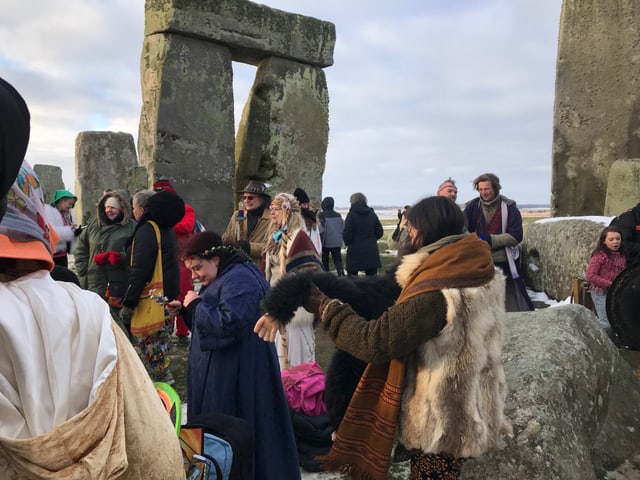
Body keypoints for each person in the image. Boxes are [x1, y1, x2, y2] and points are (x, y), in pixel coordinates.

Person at [0, 78, 183, 478]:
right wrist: (89, 271)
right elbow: (155, 454)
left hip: (114, 289)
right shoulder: (85, 309)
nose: (115, 211)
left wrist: (125, 287)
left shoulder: (142, 233)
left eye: (121, 207)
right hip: (92, 288)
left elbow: (148, 265)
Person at [255, 196, 511, 479]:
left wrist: (326, 307)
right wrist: (297, 292)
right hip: (470, 402)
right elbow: (375, 291)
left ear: (427, 230)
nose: (406, 233)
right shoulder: (473, 268)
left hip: (444, 416)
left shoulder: (437, 292)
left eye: (411, 227)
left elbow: (374, 342)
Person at [166, 231, 301, 480]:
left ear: (215, 259)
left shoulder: (241, 280)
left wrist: (196, 305)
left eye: (197, 268)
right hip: (227, 370)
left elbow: (230, 322)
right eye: (191, 270)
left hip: (239, 374)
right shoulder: (227, 275)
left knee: (236, 429)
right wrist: (187, 310)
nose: (195, 276)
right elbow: (216, 310)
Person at [120, 189, 184, 384]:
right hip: (167, 296)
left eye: (134, 208)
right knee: (160, 348)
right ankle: (163, 385)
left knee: (153, 350)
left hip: (151, 298)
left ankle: (163, 394)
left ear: (142, 208)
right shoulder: (166, 229)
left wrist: (129, 300)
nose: (133, 212)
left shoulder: (148, 229)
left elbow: (141, 267)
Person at [263, 192, 324, 370]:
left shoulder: (299, 237)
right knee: (279, 357)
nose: (272, 213)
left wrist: (289, 296)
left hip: (295, 308)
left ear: (287, 211)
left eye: (276, 209)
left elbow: (312, 271)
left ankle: (297, 391)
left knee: (295, 356)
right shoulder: (275, 237)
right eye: (271, 209)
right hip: (277, 302)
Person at [463, 172, 534, 312]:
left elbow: (516, 236)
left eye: (487, 189)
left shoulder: (509, 207)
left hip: (504, 261)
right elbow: (464, 231)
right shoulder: (472, 207)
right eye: (481, 189)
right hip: (479, 261)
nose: (484, 192)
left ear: (495, 188)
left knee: (507, 301)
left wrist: (490, 239)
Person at [73, 189, 136, 326]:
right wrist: (83, 269)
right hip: (92, 280)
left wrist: (121, 257)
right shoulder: (94, 225)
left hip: (117, 282)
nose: (109, 210)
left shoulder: (131, 228)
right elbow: (81, 248)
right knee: (94, 319)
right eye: (107, 207)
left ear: (122, 208)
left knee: (116, 321)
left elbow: (136, 253)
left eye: (113, 207)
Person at [153, 178, 195, 346]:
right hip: (162, 257)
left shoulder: (186, 209)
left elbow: (187, 226)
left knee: (184, 292)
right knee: (164, 295)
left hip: (182, 258)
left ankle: (183, 332)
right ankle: (165, 329)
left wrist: (165, 221)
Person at [585, 226, 627, 332]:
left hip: (616, 292)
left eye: (618, 239)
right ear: (604, 241)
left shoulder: (622, 255)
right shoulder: (599, 256)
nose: (615, 242)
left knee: (618, 320)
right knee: (606, 323)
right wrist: (609, 283)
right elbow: (590, 276)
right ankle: (597, 343)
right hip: (600, 292)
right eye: (611, 239)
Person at [222, 179, 272, 264]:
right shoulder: (238, 215)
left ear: (262, 199)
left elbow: (273, 247)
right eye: (244, 198)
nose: (246, 200)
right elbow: (227, 238)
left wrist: (249, 247)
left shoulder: (272, 218)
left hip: (261, 269)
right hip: (238, 265)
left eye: (250, 198)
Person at [343, 192, 384, 276]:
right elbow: (379, 232)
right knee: (372, 280)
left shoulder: (351, 215)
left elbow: (347, 234)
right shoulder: (372, 214)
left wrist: (349, 242)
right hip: (370, 249)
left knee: (352, 281)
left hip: (355, 250)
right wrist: (371, 239)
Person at [44, 189, 81, 267]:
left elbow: (72, 227)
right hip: (52, 254)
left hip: (63, 254)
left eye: (72, 204)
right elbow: (52, 231)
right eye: (69, 203)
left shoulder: (68, 215)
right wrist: (72, 232)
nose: (70, 206)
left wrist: (76, 231)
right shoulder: (48, 211)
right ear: (61, 200)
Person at [318, 196, 345, 275]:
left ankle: (327, 277)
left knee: (325, 261)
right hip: (337, 241)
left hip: (325, 242)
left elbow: (320, 229)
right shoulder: (338, 215)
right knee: (338, 261)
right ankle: (341, 275)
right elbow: (342, 227)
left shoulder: (321, 215)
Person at [294, 187, 322, 254]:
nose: (306, 207)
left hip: (312, 251)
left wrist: (319, 250)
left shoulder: (312, 218)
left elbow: (316, 236)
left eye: (307, 204)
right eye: (304, 204)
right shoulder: (295, 219)